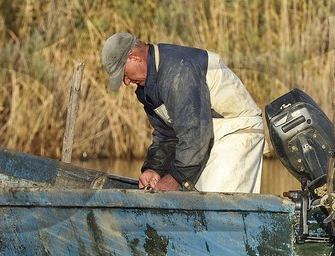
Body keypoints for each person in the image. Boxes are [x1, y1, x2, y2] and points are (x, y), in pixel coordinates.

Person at [100, 32, 265, 193]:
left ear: (135, 57)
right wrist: (154, 168)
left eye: (124, 73)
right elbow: (167, 134)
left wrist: (174, 178)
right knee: (196, 202)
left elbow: (195, 132)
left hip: (235, 130)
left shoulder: (178, 71)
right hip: (207, 137)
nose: (126, 82)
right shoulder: (147, 88)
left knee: (216, 205)